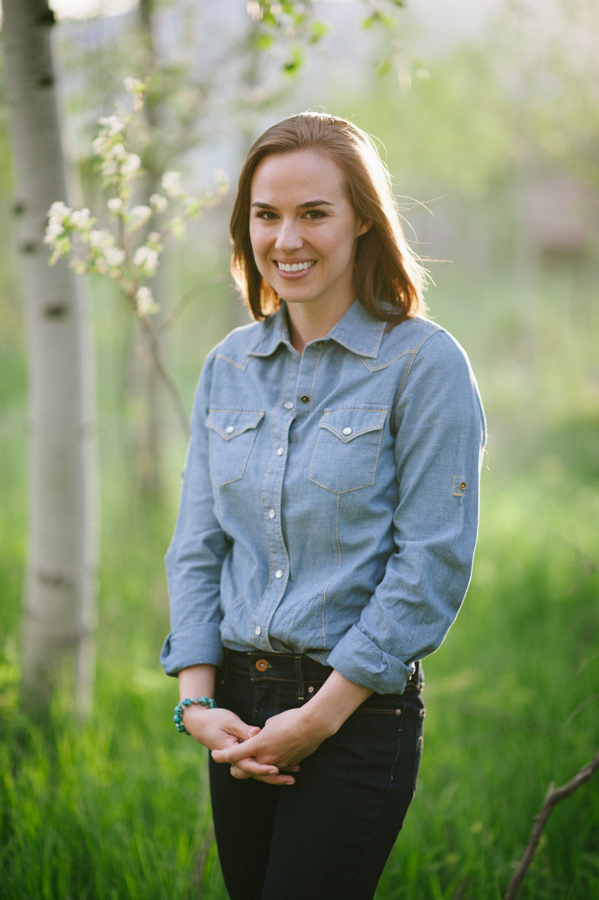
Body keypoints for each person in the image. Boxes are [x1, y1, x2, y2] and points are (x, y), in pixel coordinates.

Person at [160, 112, 486, 900]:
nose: (286, 239)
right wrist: (196, 701)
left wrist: (317, 718)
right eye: (266, 214)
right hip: (235, 712)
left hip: (354, 713)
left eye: (314, 213)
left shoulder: (423, 364)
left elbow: (430, 564)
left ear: (362, 219)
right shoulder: (227, 366)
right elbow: (199, 545)